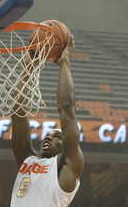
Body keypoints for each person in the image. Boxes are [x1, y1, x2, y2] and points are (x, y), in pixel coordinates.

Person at [10, 34, 84, 207]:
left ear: (65, 143)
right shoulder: (27, 161)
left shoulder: (67, 165)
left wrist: (64, 62)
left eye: (56, 136)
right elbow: (17, 113)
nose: (48, 138)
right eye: (48, 136)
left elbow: (67, 108)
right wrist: (27, 68)